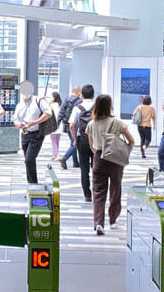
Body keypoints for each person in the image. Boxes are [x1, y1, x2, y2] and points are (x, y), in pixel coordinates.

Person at [86, 94, 135, 235]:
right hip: (115, 159)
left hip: (99, 158)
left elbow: (91, 145)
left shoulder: (91, 124)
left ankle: (98, 223)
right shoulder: (117, 122)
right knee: (115, 189)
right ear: (110, 106)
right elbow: (131, 140)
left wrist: (98, 153)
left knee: (98, 191)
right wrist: (124, 151)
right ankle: (113, 220)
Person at [13, 80, 52, 184]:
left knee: (29, 159)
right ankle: (31, 184)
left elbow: (48, 113)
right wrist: (18, 124)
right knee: (28, 161)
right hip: (25, 134)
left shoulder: (38, 100)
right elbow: (15, 120)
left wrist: (34, 122)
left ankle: (33, 184)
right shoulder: (20, 104)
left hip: (37, 134)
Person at [69, 84, 96, 201]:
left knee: (84, 169)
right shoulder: (97, 107)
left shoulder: (77, 108)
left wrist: (75, 139)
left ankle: (87, 195)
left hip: (82, 141)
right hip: (96, 142)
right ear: (93, 95)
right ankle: (97, 192)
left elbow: (71, 125)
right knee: (97, 169)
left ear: (82, 95)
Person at [57, 86, 83, 169]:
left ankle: (75, 162)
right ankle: (64, 158)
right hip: (75, 125)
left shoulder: (67, 99)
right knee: (75, 143)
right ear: (79, 92)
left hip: (66, 124)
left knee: (73, 141)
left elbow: (61, 111)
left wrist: (57, 123)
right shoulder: (79, 101)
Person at [49, 92, 63, 160]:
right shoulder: (59, 105)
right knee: (57, 141)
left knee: (53, 141)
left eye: (51, 97)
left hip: (53, 125)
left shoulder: (52, 105)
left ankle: (55, 155)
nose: (50, 98)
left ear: (54, 97)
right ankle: (56, 154)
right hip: (59, 125)